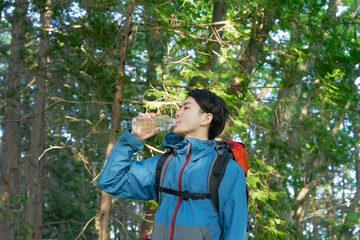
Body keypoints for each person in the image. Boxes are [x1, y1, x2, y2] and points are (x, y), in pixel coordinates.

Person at [98, 89, 248, 240]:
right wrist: (132, 139)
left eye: (186, 108)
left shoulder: (227, 170)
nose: (178, 113)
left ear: (206, 118)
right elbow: (111, 181)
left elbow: (235, 233)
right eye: (179, 108)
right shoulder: (162, 165)